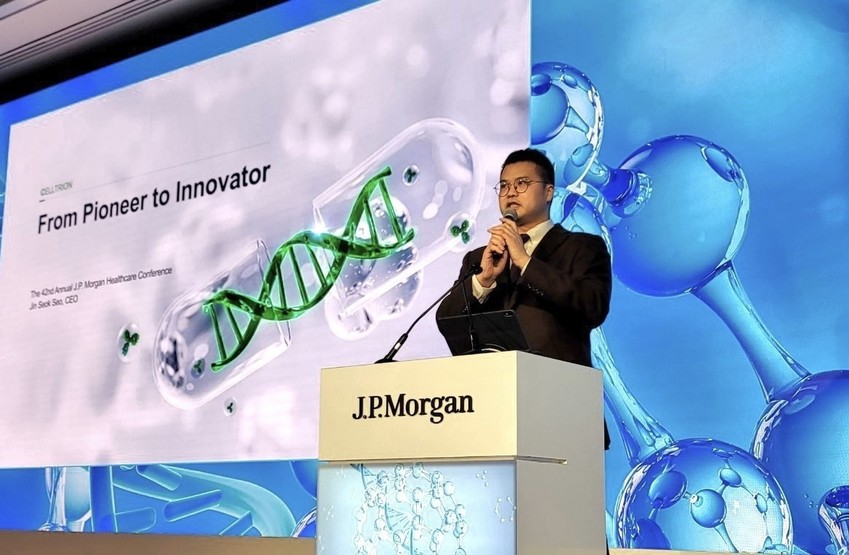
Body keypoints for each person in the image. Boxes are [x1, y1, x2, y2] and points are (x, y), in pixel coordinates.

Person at [435, 147, 612, 449]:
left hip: (563, 410)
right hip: (491, 413)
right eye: (503, 186)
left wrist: (525, 262)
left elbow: (592, 306)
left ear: (548, 192)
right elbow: (447, 319)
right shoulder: (479, 259)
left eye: (522, 184)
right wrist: (483, 281)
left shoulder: (583, 247)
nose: (510, 193)